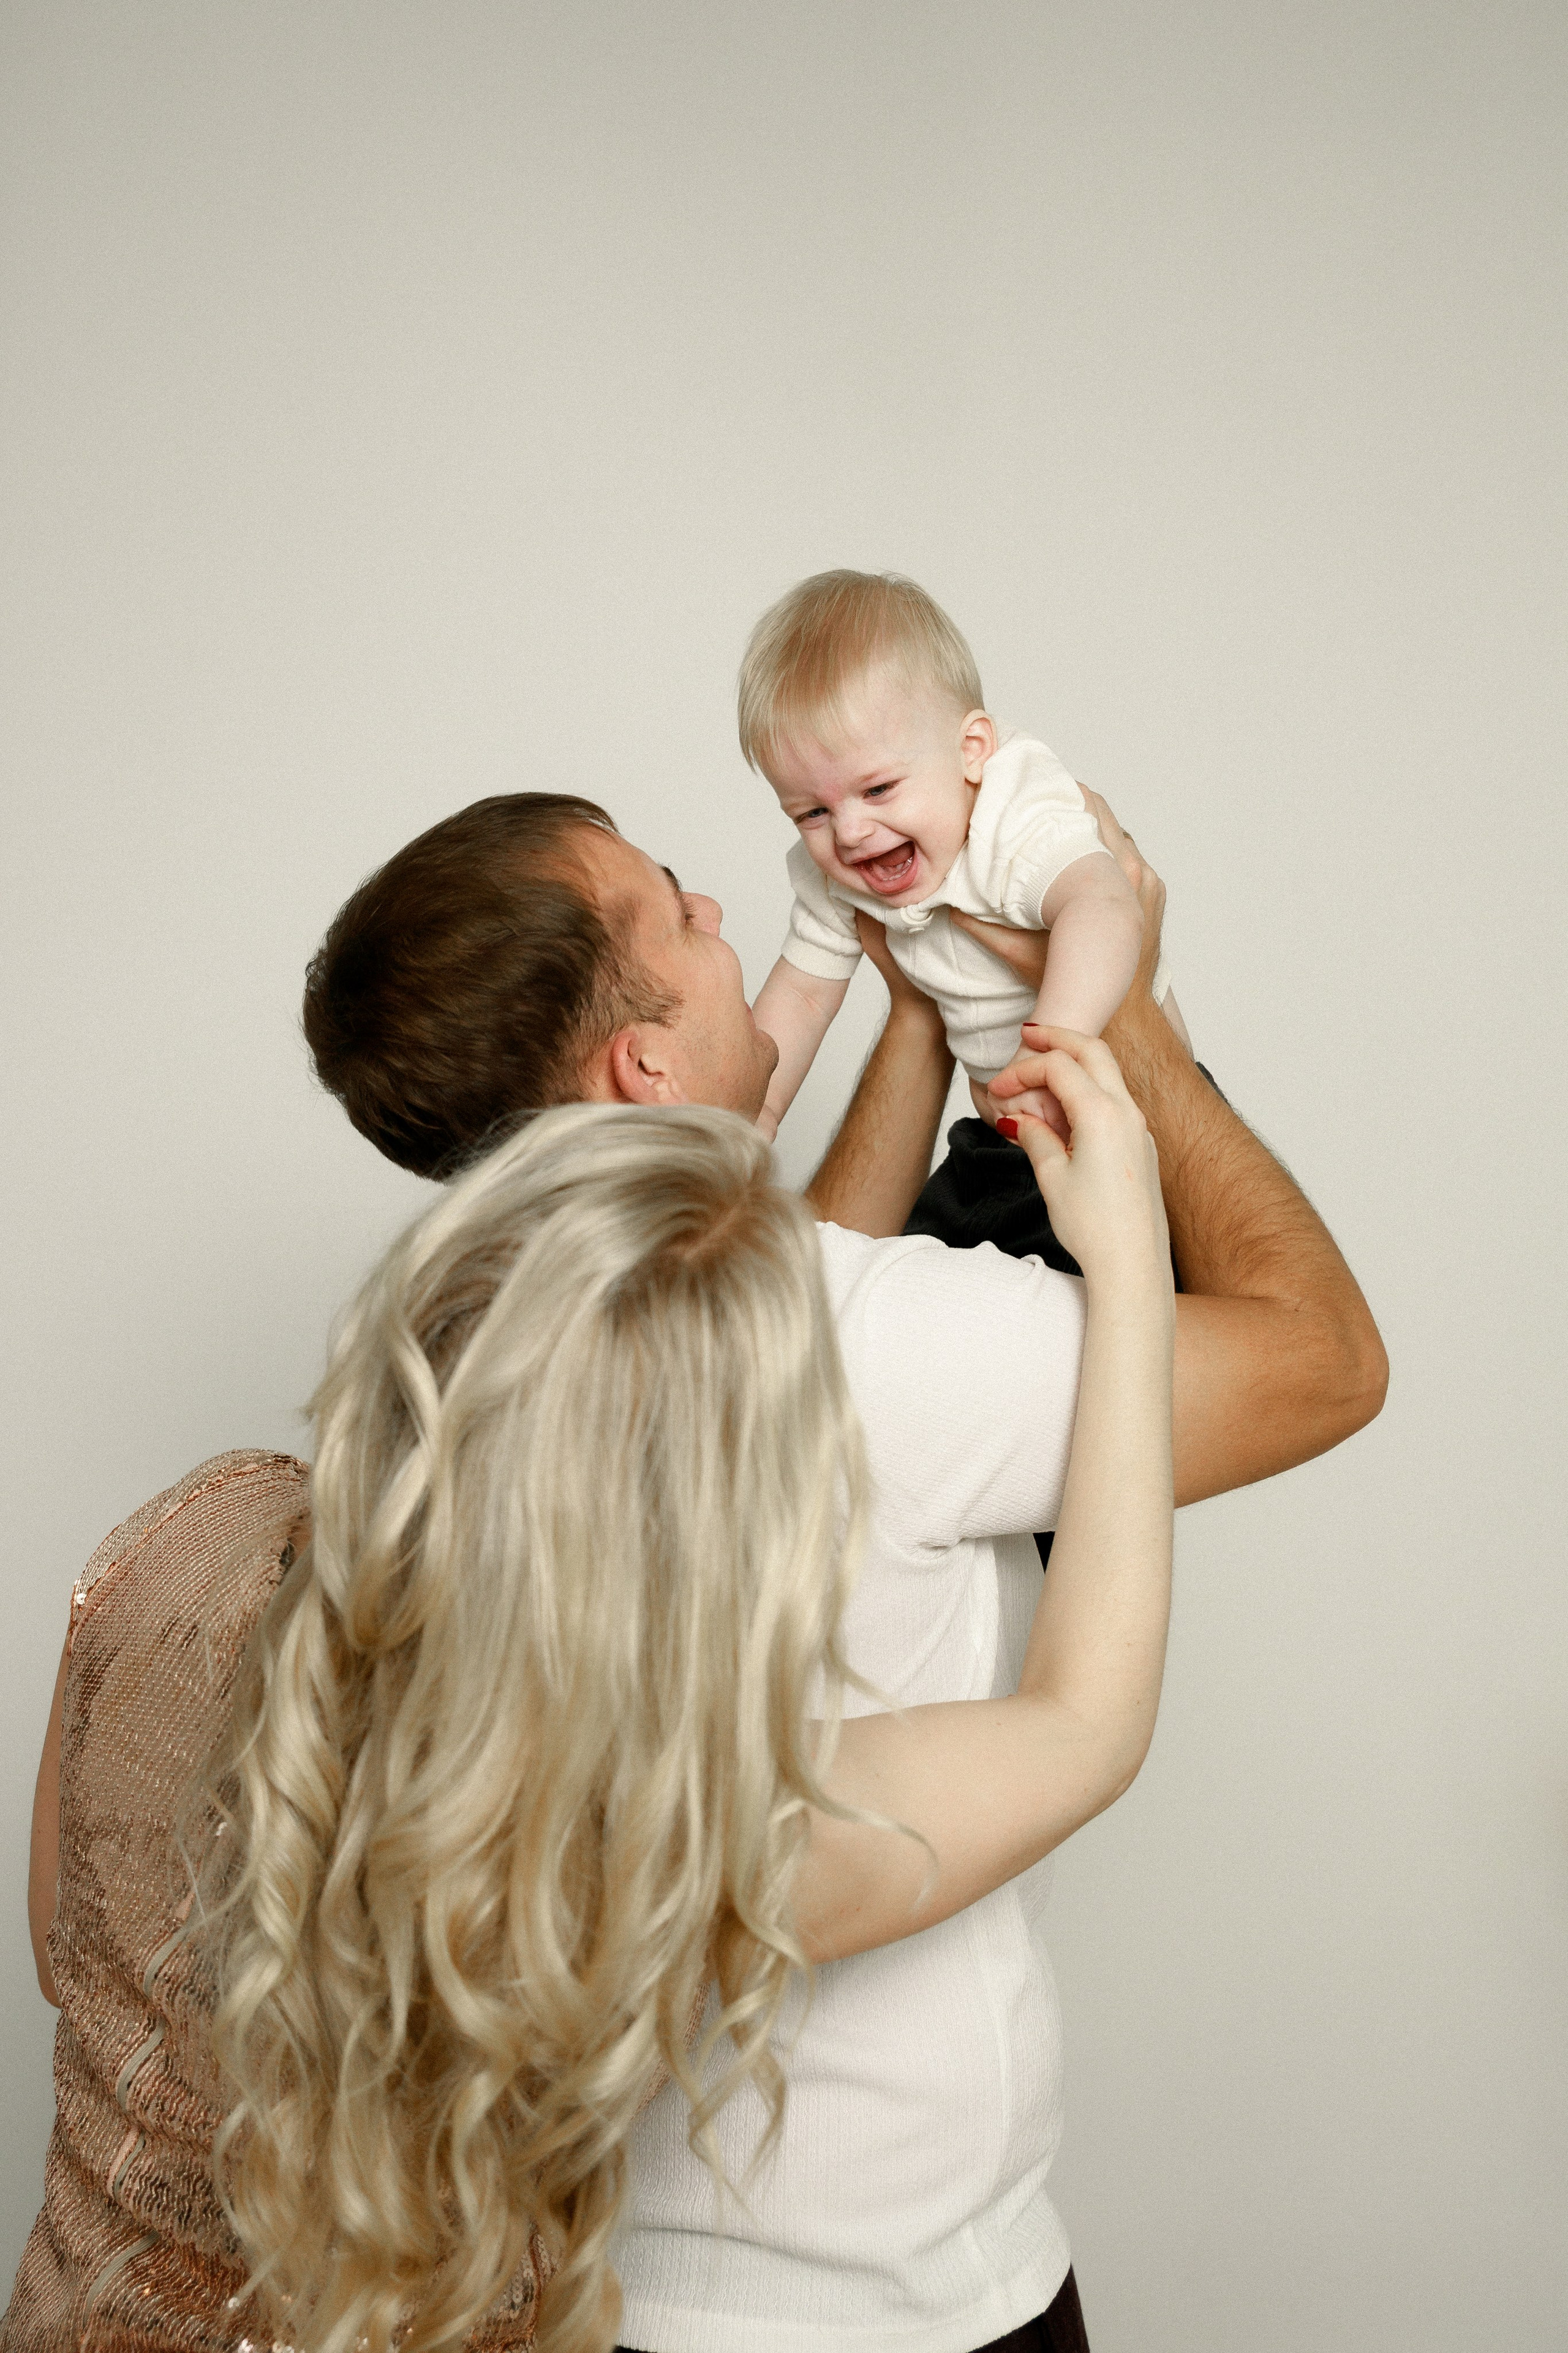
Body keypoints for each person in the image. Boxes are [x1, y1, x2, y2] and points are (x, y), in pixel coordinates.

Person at [291, 785, 1386, 2353]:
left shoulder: (458, 1351)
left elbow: (762, 1281)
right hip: (902, 2309)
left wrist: (918, 1017)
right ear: (643, 1063)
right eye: (676, 906)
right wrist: (1120, 1005)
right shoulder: (865, 1341)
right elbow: (1322, 1360)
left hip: (620, 2283)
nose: (726, 916)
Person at [15, 1068, 1174, 2353]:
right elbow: (1086, 1721)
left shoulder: (192, 1540)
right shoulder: (660, 1842)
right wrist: (1123, 1268)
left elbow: (62, 1942)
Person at [742, 568, 1188, 1145]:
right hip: (1008, 1132)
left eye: (878, 790)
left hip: (1137, 1112)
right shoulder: (836, 875)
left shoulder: (1016, 810)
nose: (850, 832)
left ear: (971, 751)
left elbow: (1105, 908)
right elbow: (802, 993)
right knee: (943, 1225)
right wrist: (759, 1110)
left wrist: (1046, 1054)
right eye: (811, 813)